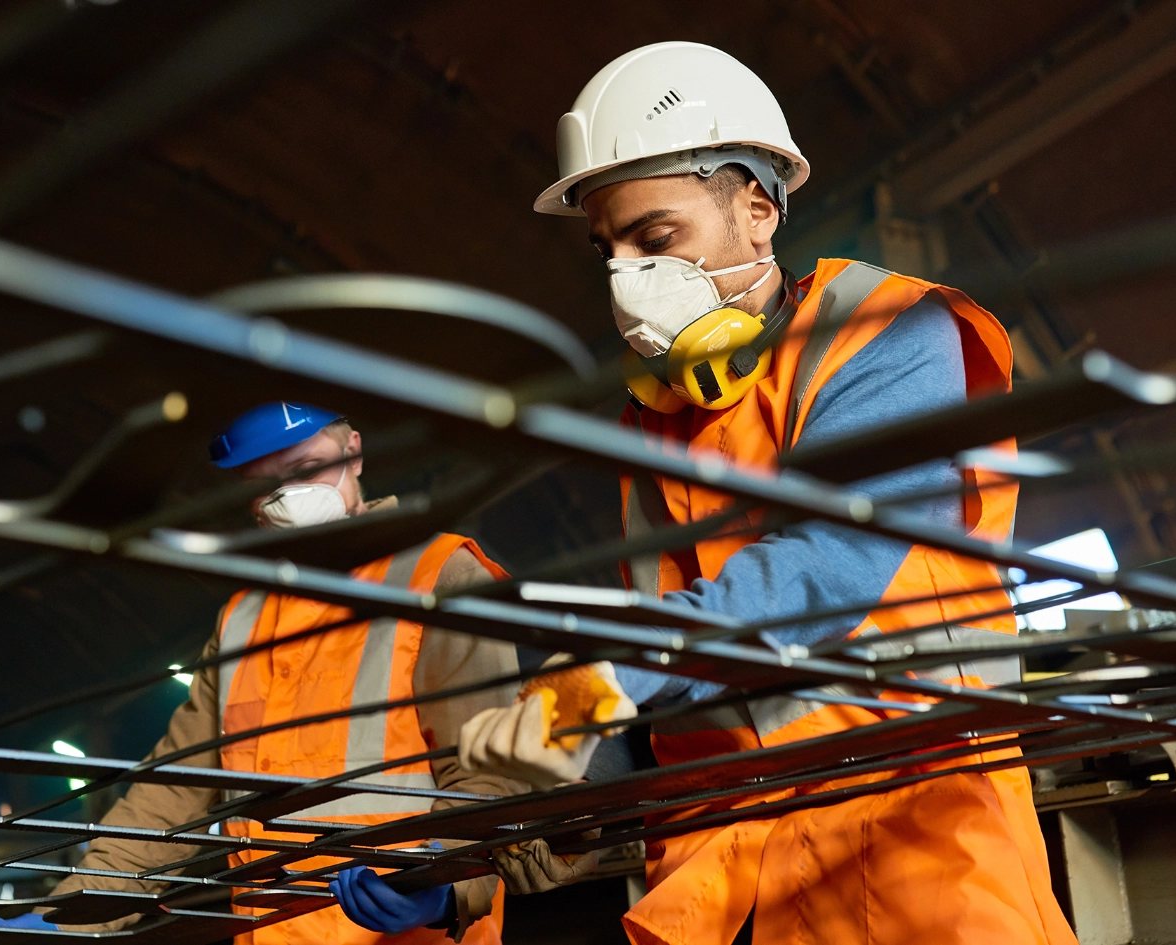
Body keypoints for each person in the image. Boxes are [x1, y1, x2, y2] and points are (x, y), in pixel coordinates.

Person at [424, 41, 1078, 945]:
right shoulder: (650, 422)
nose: (626, 278)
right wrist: (540, 813)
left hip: (910, 858)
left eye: (657, 239)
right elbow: (661, 679)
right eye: (607, 249)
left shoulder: (883, 334)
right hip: (722, 885)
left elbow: (832, 564)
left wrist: (587, 689)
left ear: (759, 209)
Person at [0, 401, 528, 945]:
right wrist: (69, 912)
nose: (289, 498)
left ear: (355, 453)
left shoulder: (438, 575)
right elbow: (174, 792)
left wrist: (446, 887)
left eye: (304, 469)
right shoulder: (241, 619)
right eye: (263, 485)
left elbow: (496, 773)